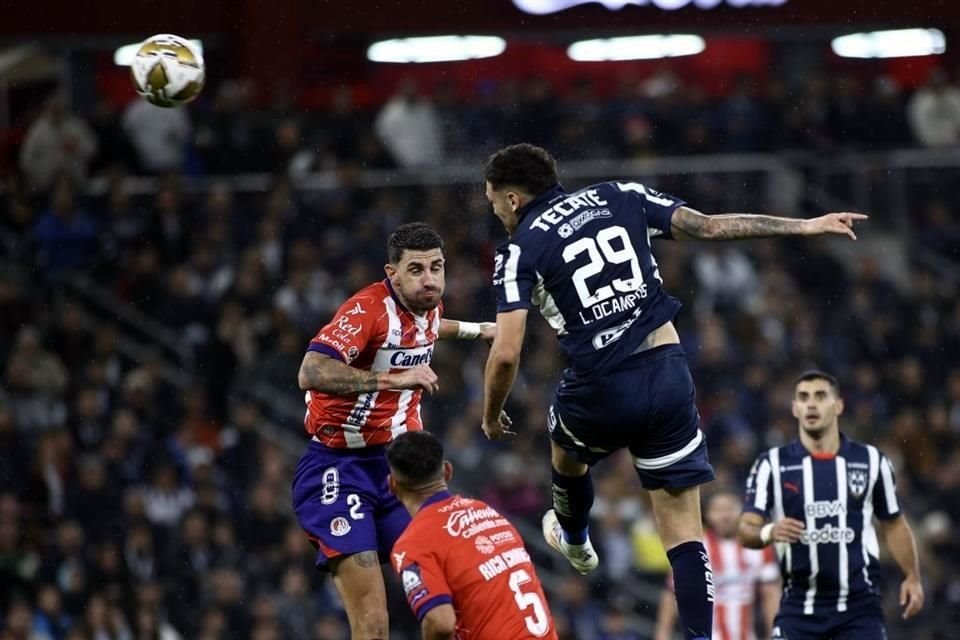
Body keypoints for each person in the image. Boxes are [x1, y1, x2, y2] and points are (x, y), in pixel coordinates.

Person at [480, 143, 867, 640]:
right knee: (684, 530)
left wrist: (491, 415)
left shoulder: (518, 249)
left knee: (566, 453)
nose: (493, 211)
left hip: (598, 385)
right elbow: (707, 226)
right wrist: (804, 225)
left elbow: (508, 352)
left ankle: (575, 539)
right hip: (665, 373)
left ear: (512, 199)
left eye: (493, 201)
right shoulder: (620, 194)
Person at [292, 222, 494, 640]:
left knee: (456, 593)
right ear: (392, 273)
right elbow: (310, 371)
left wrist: (481, 330)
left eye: (437, 268)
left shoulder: (426, 305)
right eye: (417, 270)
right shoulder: (366, 310)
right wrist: (392, 380)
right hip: (339, 468)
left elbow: (434, 328)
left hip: (400, 468)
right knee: (374, 623)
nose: (430, 280)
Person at [738, 370, 924, 639]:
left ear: (838, 405)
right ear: (794, 408)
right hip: (798, 610)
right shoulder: (771, 465)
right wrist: (769, 532)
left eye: (820, 396)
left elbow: (893, 522)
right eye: (803, 397)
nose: (811, 404)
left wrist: (912, 577)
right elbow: (745, 529)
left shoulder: (871, 460)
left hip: (859, 609)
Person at [385, 430, 558, 640]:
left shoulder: (412, 544)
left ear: (392, 485)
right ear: (448, 471)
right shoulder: (489, 514)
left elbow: (439, 623)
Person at [655, 489, 780, 640]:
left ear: (741, 511)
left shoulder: (758, 547)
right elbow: (672, 593)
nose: (725, 516)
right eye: (718, 510)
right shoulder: (695, 548)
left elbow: (770, 595)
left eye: (730, 509)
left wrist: (774, 634)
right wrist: (662, 634)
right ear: (708, 515)